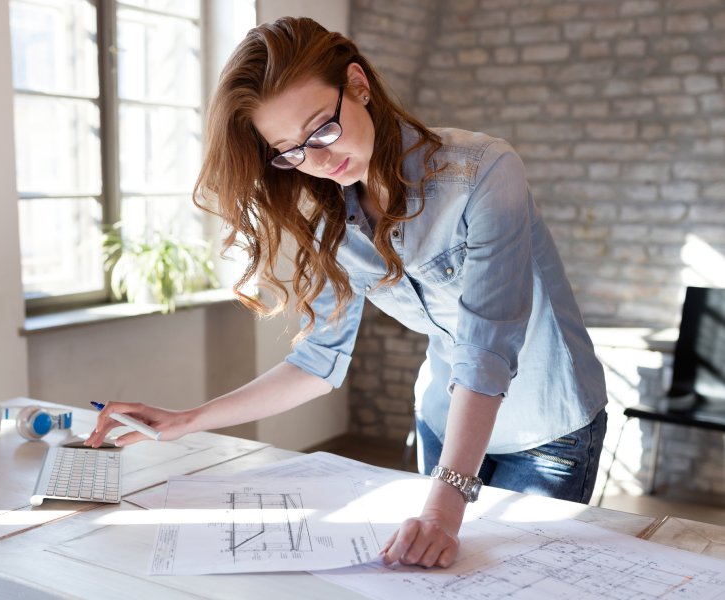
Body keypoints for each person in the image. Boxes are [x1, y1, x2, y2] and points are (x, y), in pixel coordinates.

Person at [86, 16, 608, 569]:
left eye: (322, 129)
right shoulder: (333, 220)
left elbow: (485, 350)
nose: (316, 159)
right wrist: (185, 420)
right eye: (289, 150)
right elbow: (317, 363)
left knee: (525, 580)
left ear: (358, 85)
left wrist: (442, 507)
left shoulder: (483, 173)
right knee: (434, 576)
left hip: (547, 427)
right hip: (443, 417)